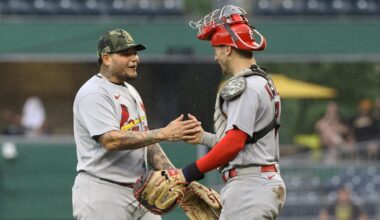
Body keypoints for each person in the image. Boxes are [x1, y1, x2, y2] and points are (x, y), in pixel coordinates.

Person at [166, 5, 286, 219]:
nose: (215, 57)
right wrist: (204, 138)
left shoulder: (244, 85)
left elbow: (234, 143)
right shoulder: (262, 81)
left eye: (216, 50)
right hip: (258, 183)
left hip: (249, 187)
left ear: (228, 48)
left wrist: (187, 173)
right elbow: (247, 142)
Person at [71, 29, 200, 220]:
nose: (134, 59)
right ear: (106, 58)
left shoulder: (130, 90)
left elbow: (145, 140)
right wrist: (164, 133)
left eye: (135, 53)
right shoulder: (94, 93)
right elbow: (111, 140)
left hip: (141, 193)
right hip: (103, 191)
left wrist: (178, 178)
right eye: (126, 54)